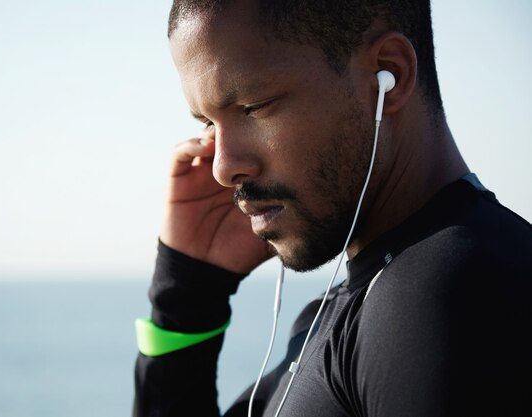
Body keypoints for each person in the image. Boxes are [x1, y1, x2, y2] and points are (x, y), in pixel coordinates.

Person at [134, 0, 532, 416]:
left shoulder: (451, 292)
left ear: (389, 75)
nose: (222, 168)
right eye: (208, 123)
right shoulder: (351, 305)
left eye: (254, 107)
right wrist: (187, 296)